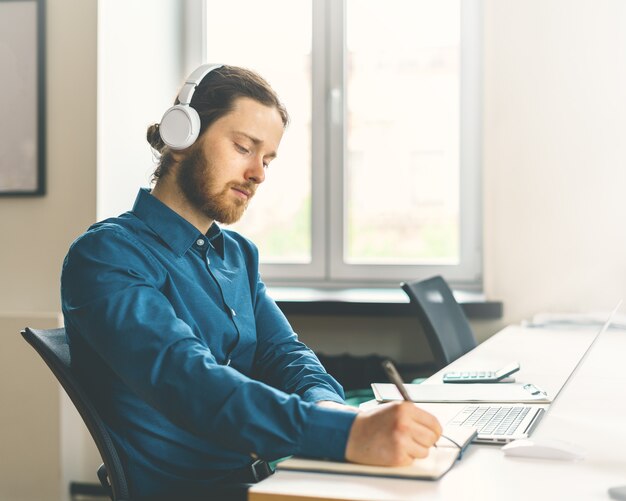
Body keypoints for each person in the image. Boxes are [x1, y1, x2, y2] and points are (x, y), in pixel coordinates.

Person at [61, 64, 442, 500]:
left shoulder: (238, 255)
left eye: (268, 159)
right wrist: (345, 435)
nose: (259, 173)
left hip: (268, 479)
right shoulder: (105, 256)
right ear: (181, 137)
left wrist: (330, 408)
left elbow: (286, 355)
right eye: (244, 147)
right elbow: (191, 381)